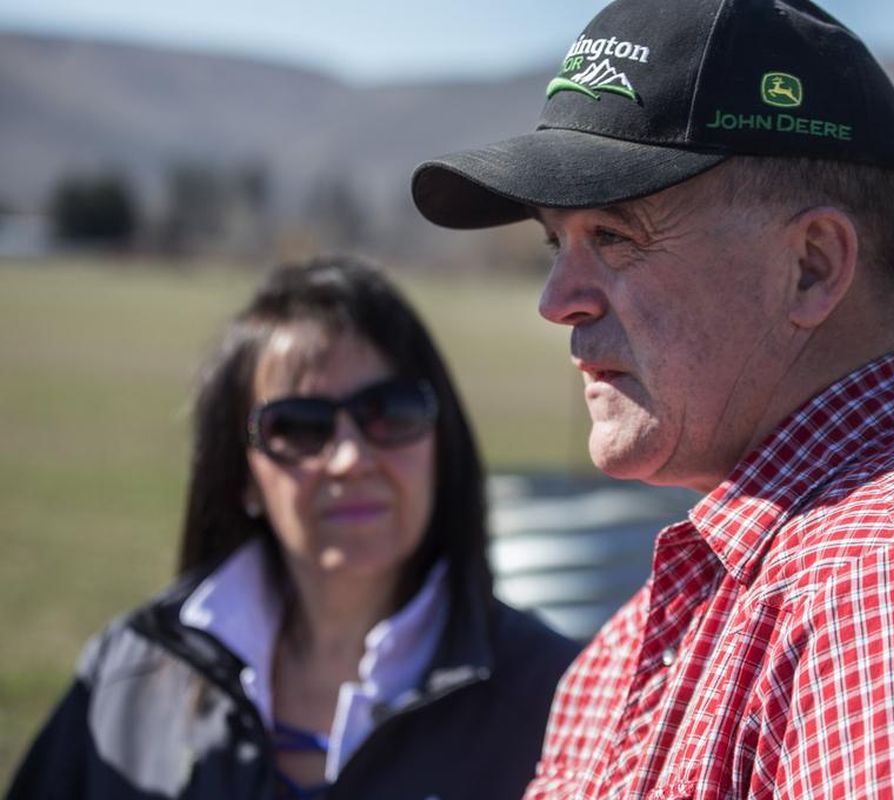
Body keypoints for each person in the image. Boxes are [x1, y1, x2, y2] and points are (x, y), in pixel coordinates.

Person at [409, 0, 894, 797]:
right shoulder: (642, 641)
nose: (559, 300)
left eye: (617, 236)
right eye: (558, 244)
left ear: (813, 267)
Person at [8, 256, 579, 800]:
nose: (350, 459)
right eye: (300, 427)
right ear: (243, 478)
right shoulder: (129, 678)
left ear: (441, 441)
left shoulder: (561, 697)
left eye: (390, 411)